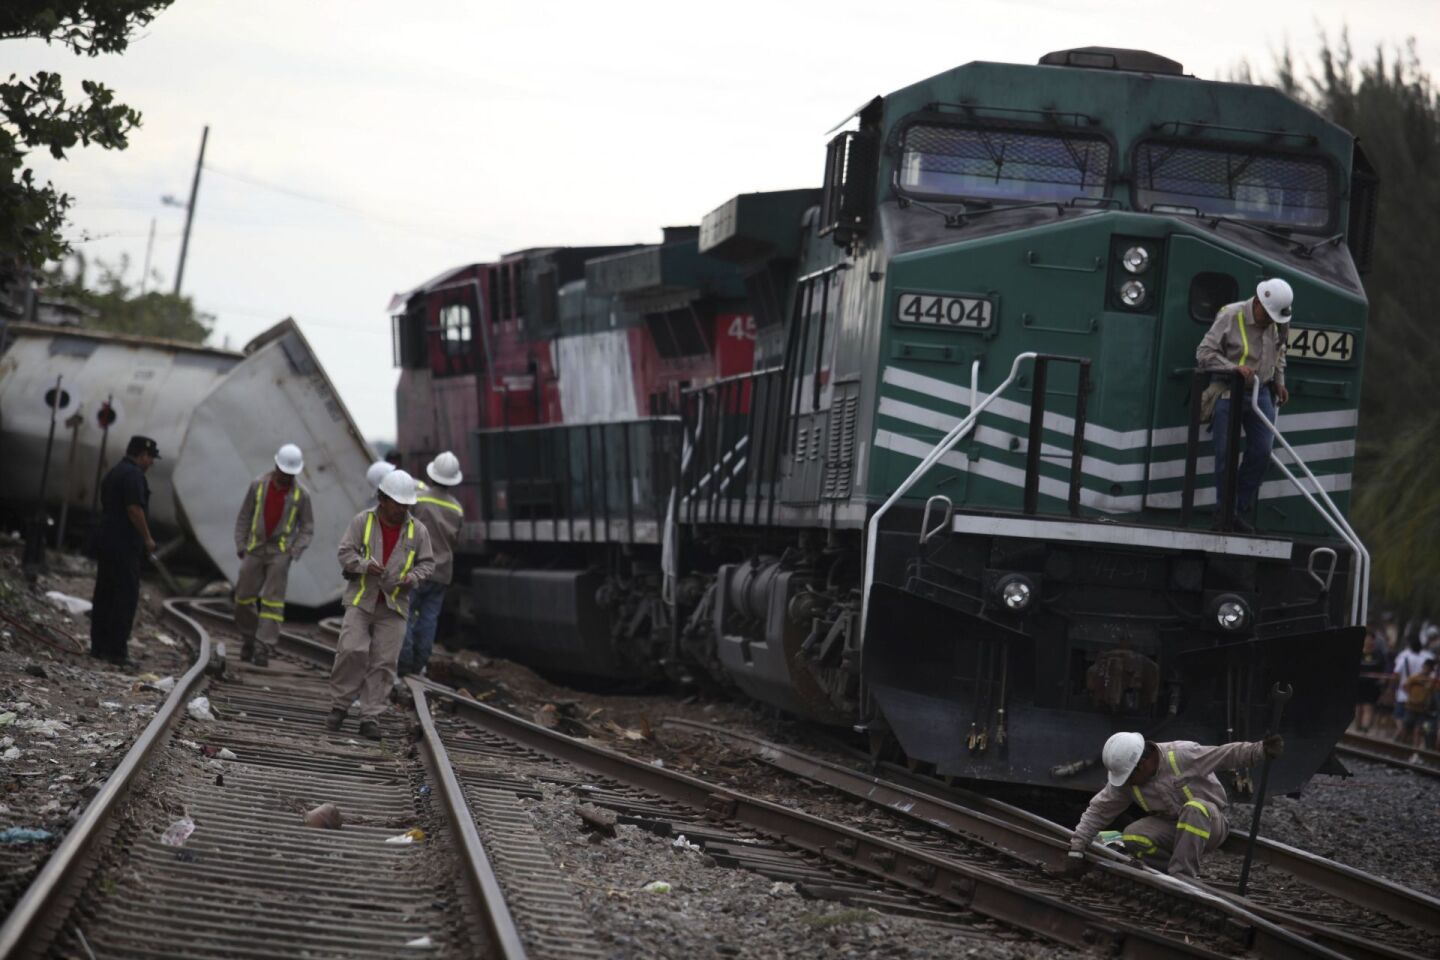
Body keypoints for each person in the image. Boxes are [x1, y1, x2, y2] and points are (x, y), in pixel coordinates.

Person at [1060, 731, 1282, 879]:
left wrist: (1259, 750)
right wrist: (1077, 849)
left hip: (1209, 824)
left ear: (1144, 763)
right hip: (1172, 828)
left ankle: (1183, 877)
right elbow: (1099, 810)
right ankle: (1162, 873)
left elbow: (1224, 755)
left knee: (1194, 808)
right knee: (1133, 834)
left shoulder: (1182, 755)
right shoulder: (1128, 782)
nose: (1126, 782)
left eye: (1128, 776)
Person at [326, 470, 434, 740]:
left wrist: (414, 578)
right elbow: (345, 552)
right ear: (383, 499)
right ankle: (340, 706)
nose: (402, 509)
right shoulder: (363, 521)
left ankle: (370, 716)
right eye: (398, 503)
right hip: (362, 599)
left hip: (395, 604)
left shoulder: (417, 530)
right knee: (351, 650)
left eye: (406, 504)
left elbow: (428, 563)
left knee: (384, 661)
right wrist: (363, 565)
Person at [1196, 278, 1292, 533]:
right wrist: (1233, 369)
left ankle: (1235, 508)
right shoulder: (1231, 315)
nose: (1271, 321)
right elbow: (1204, 353)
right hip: (1229, 391)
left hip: (1261, 394)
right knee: (1225, 454)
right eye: (1268, 315)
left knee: (1262, 452)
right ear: (1258, 302)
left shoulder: (1279, 319)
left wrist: (1279, 381)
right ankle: (1223, 513)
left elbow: (1281, 354)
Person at [231, 444, 315, 667]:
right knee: (243, 598)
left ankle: (263, 647)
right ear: (276, 465)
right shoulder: (258, 485)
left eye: (291, 473)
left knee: (272, 603)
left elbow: (307, 527)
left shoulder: (301, 495)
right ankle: (249, 638)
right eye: (283, 471)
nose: (286, 476)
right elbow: (244, 516)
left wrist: (293, 551)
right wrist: (241, 544)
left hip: (280, 553)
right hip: (255, 549)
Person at [90, 436, 160, 666]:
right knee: (124, 597)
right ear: (142, 455)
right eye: (150, 458)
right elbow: (134, 509)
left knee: (105, 594)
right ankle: (116, 651)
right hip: (124, 546)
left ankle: (99, 647)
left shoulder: (115, 472)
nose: (151, 463)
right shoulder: (133, 476)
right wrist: (148, 538)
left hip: (107, 542)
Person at [398, 451, 465, 677]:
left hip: (416, 569)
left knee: (405, 614)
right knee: (429, 618)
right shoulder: (457, 509)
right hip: (442, 573)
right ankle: (419, 664)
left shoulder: (419, 499)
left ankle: (404, 662)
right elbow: (457, 541)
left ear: (433, 474)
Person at [1392, 636, 1434, 743]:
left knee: (1401, 719)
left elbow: (1396, 674)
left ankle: (1398, 740)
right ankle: (1410, 745)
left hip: (1404, 696)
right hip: (1421, 702)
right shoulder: (1425, 659)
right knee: (1417, 726)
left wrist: (1394, 688)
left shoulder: (1405, 657)